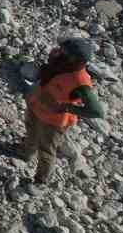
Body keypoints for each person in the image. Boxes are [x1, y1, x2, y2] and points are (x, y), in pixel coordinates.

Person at [21, 37, 104, 184]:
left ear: (75, 59)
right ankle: (25, 153)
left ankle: (41, 181)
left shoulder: (80, 81)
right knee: (31, 131)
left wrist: (66, 107)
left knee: (46, 150)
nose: (59, 52)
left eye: (64, 51)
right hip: (36, 106)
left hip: (53, 122)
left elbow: (97, 111)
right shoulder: (61, 63)